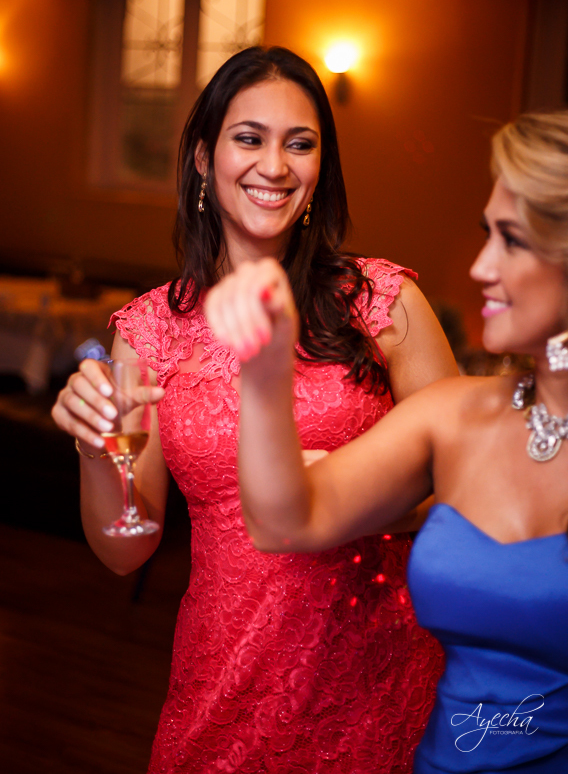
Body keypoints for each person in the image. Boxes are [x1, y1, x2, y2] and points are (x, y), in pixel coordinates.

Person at [52, 45, 457, 773]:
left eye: (299, 144)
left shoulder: (383, 304)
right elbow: (125, 548)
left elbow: (474, 497)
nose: (275, 165)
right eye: (249, 138)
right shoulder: (149, 332)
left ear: (321, 166)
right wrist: (97, 449)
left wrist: (346, 496)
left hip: (382, 683)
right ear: (203, 159)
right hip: (227, 682)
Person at [204, 109, 568, 774]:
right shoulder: (456, 417)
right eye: (487, 234)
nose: (481, 267)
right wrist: (266, 366)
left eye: (512, 241)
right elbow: (285, 522)